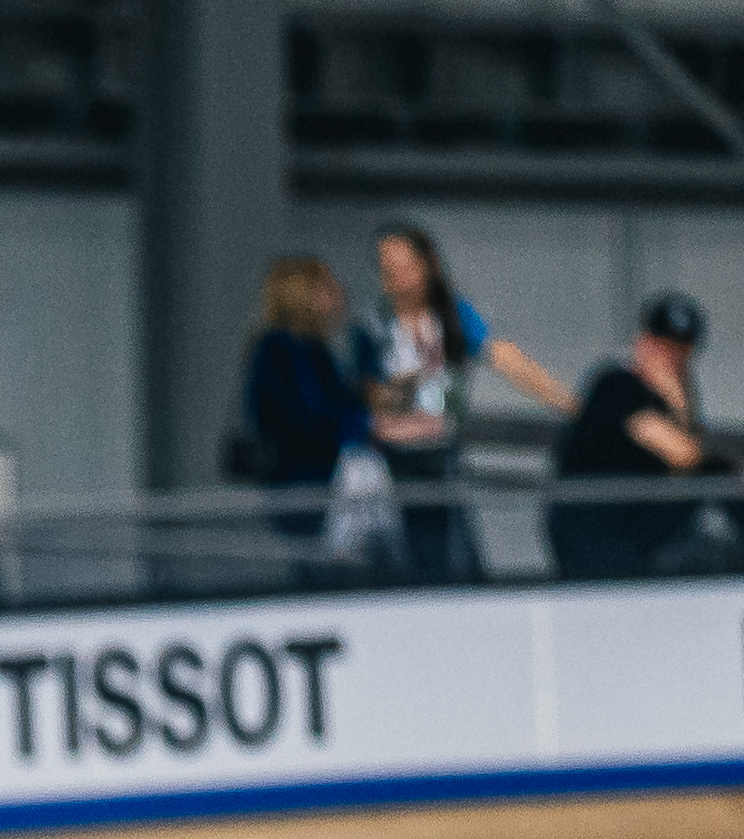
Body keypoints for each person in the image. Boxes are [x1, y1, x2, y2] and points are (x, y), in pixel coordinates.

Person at [356, 220, 574, 584]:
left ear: (428, 267)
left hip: (437, 454)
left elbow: (505, 358)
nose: (397, 279)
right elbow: (377, 404)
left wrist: (569, 403)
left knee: (452, 554)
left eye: (406, 268)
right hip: (392, 460)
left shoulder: (451, 316)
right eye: (387, 270)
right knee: (407, 555)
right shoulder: (375, 327)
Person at [549, 292, 724, 580]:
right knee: (713, 473)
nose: (670, 362)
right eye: (662, 348)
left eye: (680, 353)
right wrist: (677, 399)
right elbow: (684, 454)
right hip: (595, 527)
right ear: (644, 344)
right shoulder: (617, 385)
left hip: (631, 522)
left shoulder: (668, 399)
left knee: (718, 474)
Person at [240, 254, 372, 549]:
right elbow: (310, 415)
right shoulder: (280, 350)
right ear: (305, 295)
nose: (340, 292)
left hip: (322, 482)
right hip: (301, 485)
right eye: (327, 287)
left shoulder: (313, 350)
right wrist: (369, 424)